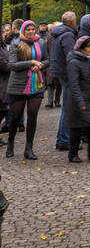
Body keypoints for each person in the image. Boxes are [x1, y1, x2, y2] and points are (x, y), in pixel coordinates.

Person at [5, 20, 46, 159]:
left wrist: (39, 65)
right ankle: (10, 142)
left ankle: (29, 148)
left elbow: (47, 60)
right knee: (15, 117)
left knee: (33, 115)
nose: (30, 32)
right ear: (23, 30)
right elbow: (12, 65)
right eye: (27, 29)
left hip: (37, 85)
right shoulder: (16, 44)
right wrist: (31, 63)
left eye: (32, 29)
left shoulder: (40, 42)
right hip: (18, 86)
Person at [66, 36, 90, 163]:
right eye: (88, 46)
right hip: (78, 99)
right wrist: (80, 102)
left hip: (89, 96)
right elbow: (74, 84)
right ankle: (73, 154)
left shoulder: (87, 60)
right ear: (81, 48)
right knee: (76, 128)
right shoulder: (73, 62)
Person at [50, 12, 78, 149]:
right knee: (68, 108)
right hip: (67, 74)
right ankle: (64, 140)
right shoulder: (67, 35)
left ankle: (62, 138)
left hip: (61, 72)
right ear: (72, 22)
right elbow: (71, 56)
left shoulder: (58, 33)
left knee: (67, 108)